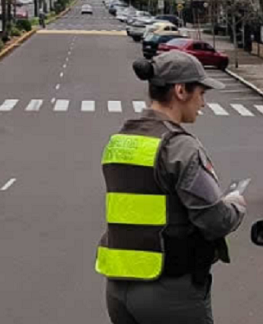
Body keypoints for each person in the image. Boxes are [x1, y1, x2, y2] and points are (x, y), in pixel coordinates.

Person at [95, 50, 246, 324]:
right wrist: (236, 203)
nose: (203, 103)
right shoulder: (179, 147)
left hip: (118, 291)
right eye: (201, 93)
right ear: (180, 90)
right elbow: (215, 220)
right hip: (169, 294)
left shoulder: (119, 141)